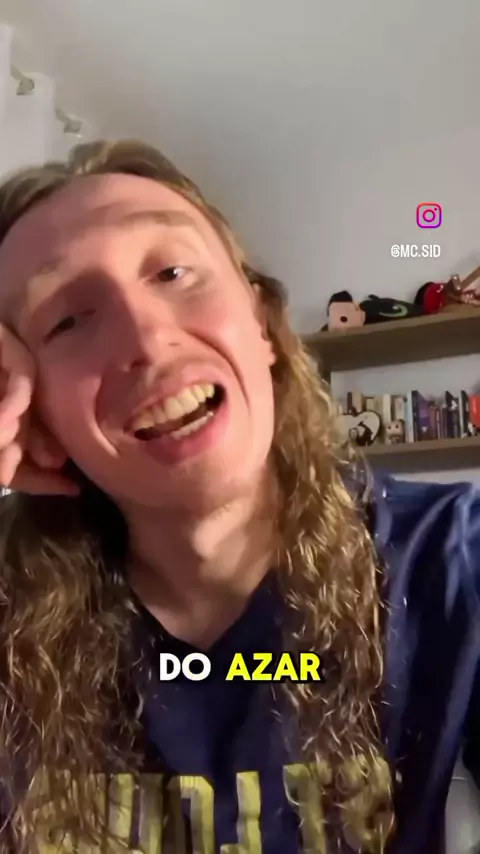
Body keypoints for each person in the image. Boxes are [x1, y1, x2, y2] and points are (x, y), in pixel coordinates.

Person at [0, 140, 478, 854]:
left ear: (261, 323)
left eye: (173, 271)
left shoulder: (454, 559)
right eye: (68, 320)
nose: (148, 337)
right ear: (33, 415)